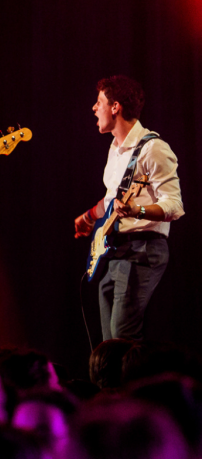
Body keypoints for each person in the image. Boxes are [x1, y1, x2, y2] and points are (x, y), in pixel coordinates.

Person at [73, 75, 183, 341]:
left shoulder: (154, 148)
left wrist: (138, 211)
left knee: (122, 337)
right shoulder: (115, 149)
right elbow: (112, 199)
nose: (94, 108)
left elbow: (174, 205)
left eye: (99, 102)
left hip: (143, 249)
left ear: (115, 107)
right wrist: (89, 216)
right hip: (118, 250)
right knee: (109, 341)